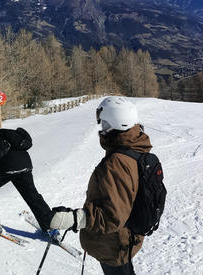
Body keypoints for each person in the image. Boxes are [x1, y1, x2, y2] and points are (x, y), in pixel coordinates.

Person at [50, 96, 153, 275]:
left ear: (114, 124)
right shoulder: (136, 148)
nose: (101, 129)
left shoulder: (117, 162)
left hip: (113, 242)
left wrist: (74, 219)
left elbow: (112, 216)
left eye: (104, 123)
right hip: (126, 238)